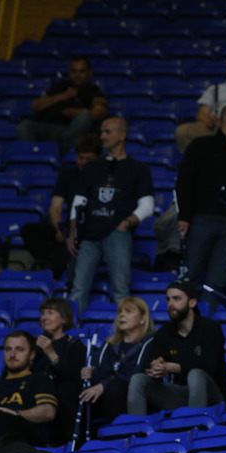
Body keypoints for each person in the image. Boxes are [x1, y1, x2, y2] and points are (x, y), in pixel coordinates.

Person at [66, 116, 154, 312]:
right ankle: (72, 337)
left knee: (121, 290)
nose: (102, 136)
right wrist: (73, 231)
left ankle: (122, 337)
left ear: (122, 135)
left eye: (108, 132)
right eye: (102, 131)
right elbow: (79, 201)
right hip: (89, 233)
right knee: (78, 289)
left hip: (118, 233)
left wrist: (128, 222)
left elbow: (148, 204)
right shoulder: (92, 167)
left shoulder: (138, 168)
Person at [176, 104, 226, 294]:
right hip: (201, 219)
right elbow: (185, 182)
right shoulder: (200, 147)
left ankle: (207, 321)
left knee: (217, 283)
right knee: (189, 275)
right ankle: (182, 322)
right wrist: (185, 216)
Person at [128, 281, 226, 413]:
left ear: (192, 303)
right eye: (168, 299)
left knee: (196, 375)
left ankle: (195, 426)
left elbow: (209, 367)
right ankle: (137, 430)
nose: (170, 304)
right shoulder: (164, 332)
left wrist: (171, 367)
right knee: (138, 380)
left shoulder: (210, 328)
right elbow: (148, 363)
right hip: (180, 395)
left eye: (176, 299)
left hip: (212, 395)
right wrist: (155, 366)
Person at [21, 133, 100, 278]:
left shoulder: (104, 177)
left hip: (92, 229)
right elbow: (56, 205)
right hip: (69, 227)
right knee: (31, 230)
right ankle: (59, 263)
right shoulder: (68, 175)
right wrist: (58, 229)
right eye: (81, 158)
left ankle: (62, 265)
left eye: (88, 159)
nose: (83, 162)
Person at [78, 296, 156, 421]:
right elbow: (100, 370)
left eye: (128, 311)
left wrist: (104, 385)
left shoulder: (150, 343)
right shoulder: (110, 344)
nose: (121, 315)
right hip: (106, 395)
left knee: (115, 387)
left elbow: (137, 374)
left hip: (135, 397)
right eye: (120, 312)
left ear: (142, 318)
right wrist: (90, 372)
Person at [0, 331, 58, 451]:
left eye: (19, 349)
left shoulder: (40, 379)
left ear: (32, 355)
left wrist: (14, 414)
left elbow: (48, 412)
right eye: (8, 349)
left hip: (26, 444)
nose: (12, 354)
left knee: (1, 420)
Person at [17, 56, 109, 155]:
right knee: (24, 126)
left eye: (82, 71)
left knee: (84, 119)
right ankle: (32, 159)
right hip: (49, 127)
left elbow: (99, 112)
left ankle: (63, 156)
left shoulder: (94, 91)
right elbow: (35, 106)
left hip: (72, 131)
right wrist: (63, 96)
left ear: (89, 73)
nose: (77, 75)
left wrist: (76, 113)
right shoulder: (59, 87)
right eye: (74, 71)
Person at [33, 297, 86, 446]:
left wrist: (51, 354)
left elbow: (73, 377)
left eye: (50, 313)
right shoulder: (35, 345)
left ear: (63, 318)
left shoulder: (74, 345)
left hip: (63, 403)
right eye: (43, 313)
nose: (44, 318)